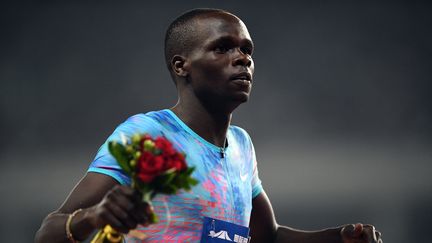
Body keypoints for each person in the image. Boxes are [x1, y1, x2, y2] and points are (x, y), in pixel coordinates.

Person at [35, 8, 383, 243]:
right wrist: (94, 217)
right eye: (223, 48)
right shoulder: (147, 135)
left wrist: (337, 237)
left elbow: (267, 237)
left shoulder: (242, 145)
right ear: (181, 65)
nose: (243, 58)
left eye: (247, 50)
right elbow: (48, 231)